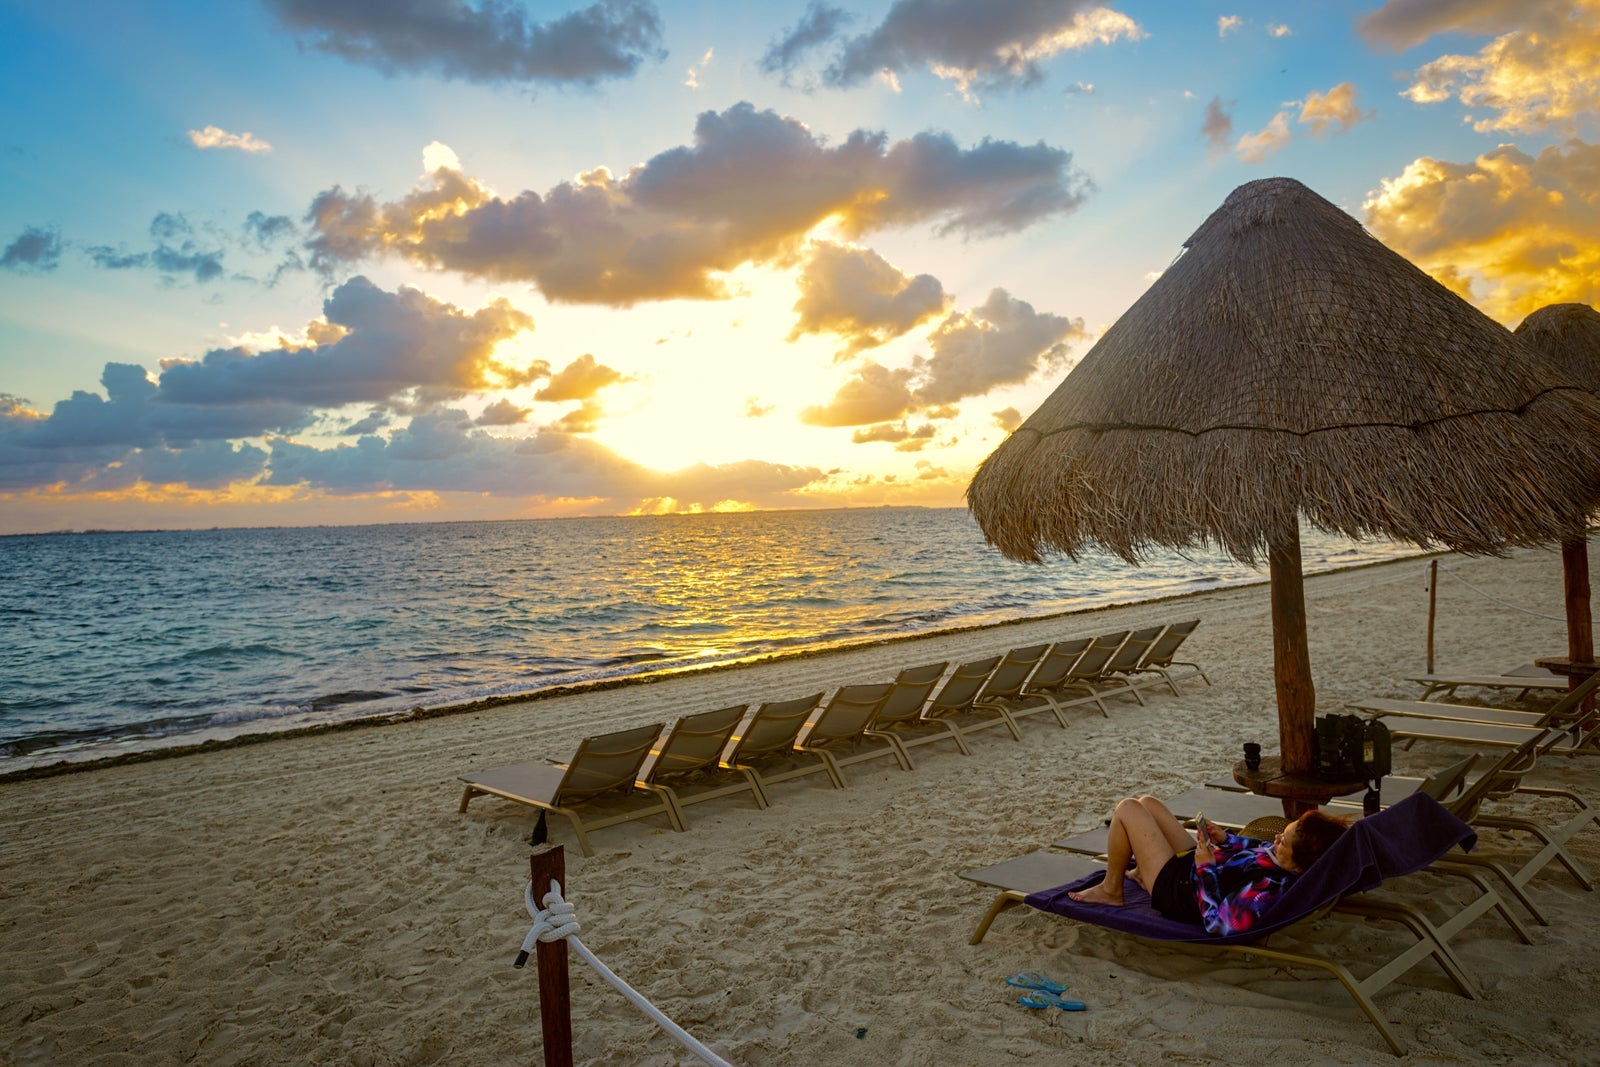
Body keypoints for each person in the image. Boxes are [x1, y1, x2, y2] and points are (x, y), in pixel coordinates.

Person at [1068, 795, 1349, 936]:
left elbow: (1217, 924)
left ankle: (1111, 889)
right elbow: (1260, 852)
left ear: (1299, 865)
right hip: (1199, 870)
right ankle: (1144, 871)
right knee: (1148, 803)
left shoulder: (1265, 892)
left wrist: (1205, 869)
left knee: (1128, 808)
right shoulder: (1286, 863)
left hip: (1181, 893)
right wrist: (1226, 840)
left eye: (1283, 841)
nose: (1275, 839)